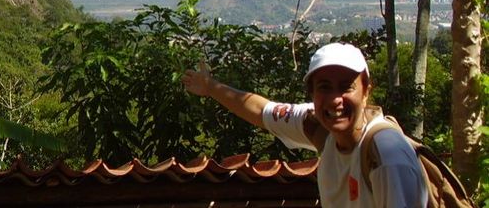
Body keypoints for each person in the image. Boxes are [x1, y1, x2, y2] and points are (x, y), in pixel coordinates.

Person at [181, 42, 427, 207]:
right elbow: (261, 110)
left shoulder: (386, 155)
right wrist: (211, 87)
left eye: (346, 86)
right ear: (312, 94)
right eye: (324, 87)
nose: (335, 100)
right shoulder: (316, 123)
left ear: (366, 91)